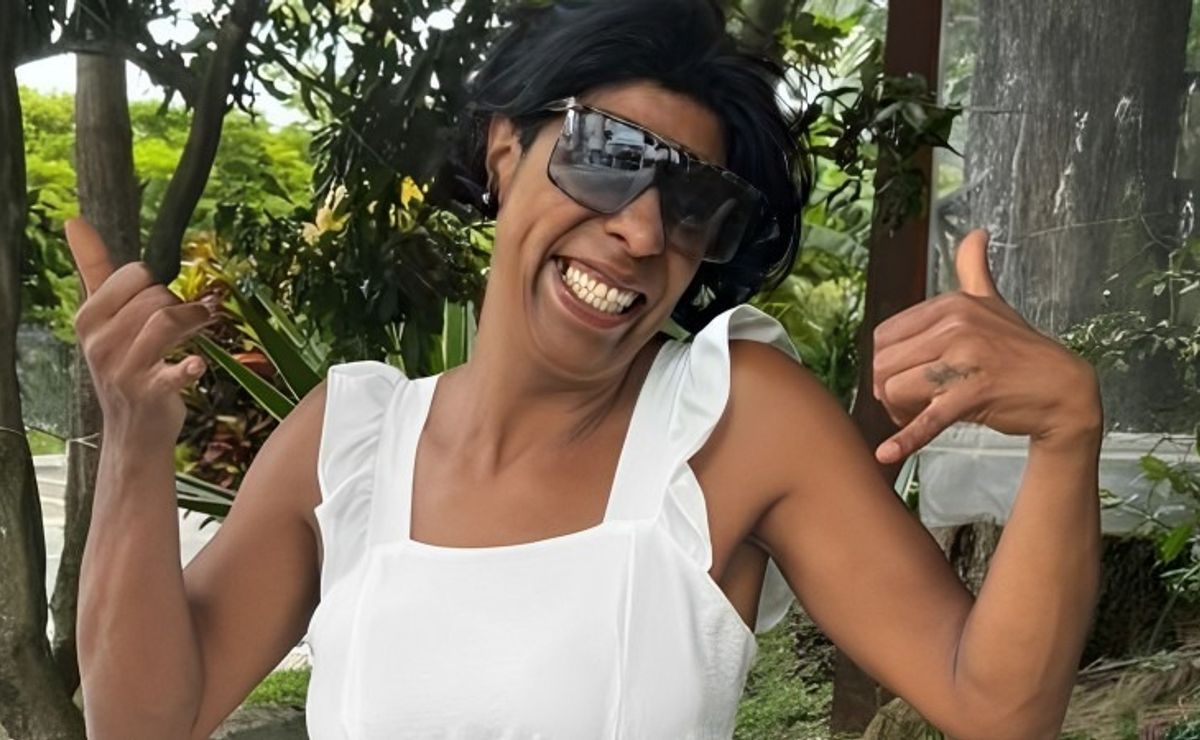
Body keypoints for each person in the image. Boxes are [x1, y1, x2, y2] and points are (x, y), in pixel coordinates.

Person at [69, 1, 1103, 738]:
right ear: (506, 152)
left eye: (693, 204)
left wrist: (1066, 435)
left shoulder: (732, 423)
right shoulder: (348, 445)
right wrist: (133, 444)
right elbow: (145, 721)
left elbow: (995, 705)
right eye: (609, 157)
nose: (643, 230)